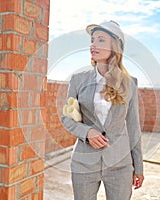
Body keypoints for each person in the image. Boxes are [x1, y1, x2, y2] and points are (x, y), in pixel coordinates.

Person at [61, 20, 144, 200]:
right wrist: (87, 131)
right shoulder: (78, 79)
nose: (93, 45)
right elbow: (66, 118)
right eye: (92, 40)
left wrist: (138, 166)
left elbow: (133, 126)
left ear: (115, 47)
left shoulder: (130, 83)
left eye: (100, 40)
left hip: (120, 164)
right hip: (84, 162)